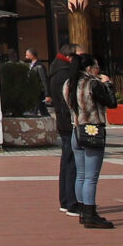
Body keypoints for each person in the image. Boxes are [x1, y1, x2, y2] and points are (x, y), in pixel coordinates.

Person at [67, 57, 116, 228]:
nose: (98, 70)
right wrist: (108, 84)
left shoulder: (69, 83)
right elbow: (111, 103)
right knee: (91, 176)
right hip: (92, 128)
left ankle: (82, 209)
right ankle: (90, 213)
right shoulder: (92, 84)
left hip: (76, 129)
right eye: (97, 67)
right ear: (89, 68)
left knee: (81, 173)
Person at [44, 45, 85, 217]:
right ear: (70, 56)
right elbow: (67, 101)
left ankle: (66, 200)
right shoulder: (65, 75)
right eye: (80, 56)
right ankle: (71, 201)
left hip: (64, 121)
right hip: (69, 122)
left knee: (67, 160)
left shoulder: (56, 70)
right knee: (72, 163)